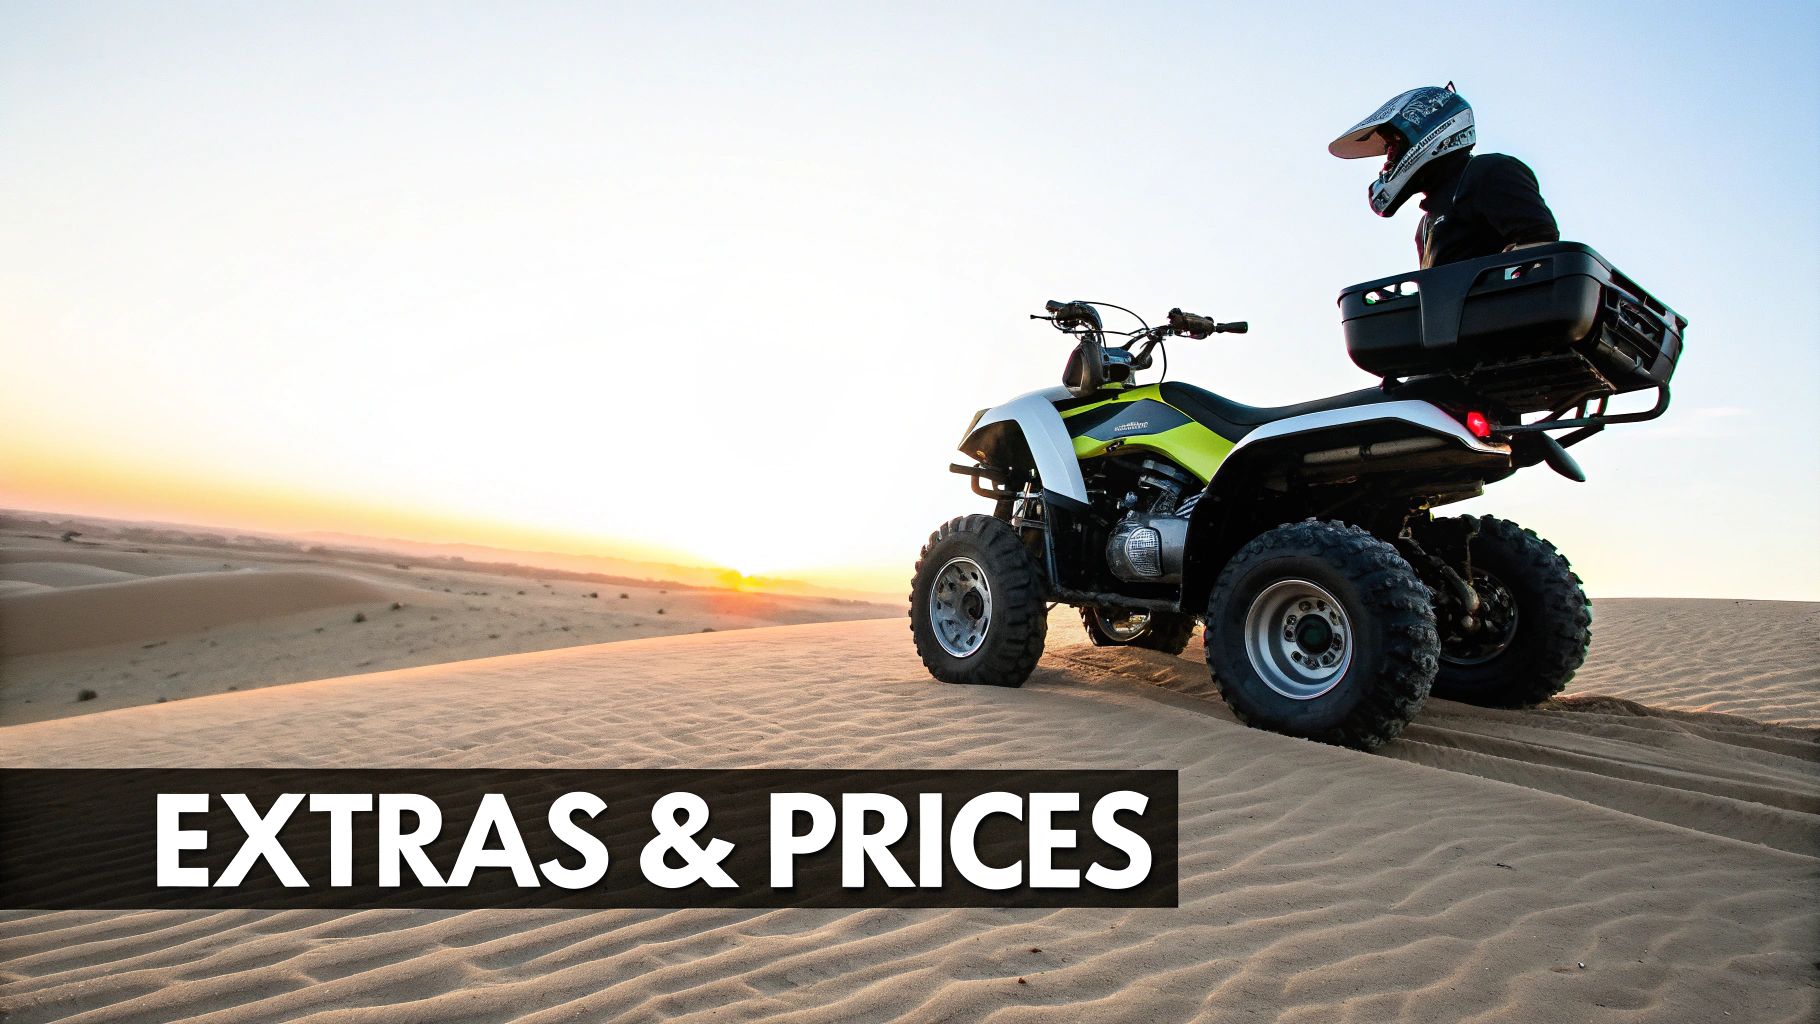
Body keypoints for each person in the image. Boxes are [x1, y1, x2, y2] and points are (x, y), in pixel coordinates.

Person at [1329, 83, 1558, 269]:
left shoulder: (1486, 172)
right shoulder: (1426, 224)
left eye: (1394, 143)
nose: (1389, 157)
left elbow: (1541, 245)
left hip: (1505, 322)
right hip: (1458, 326)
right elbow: (1438, 293)